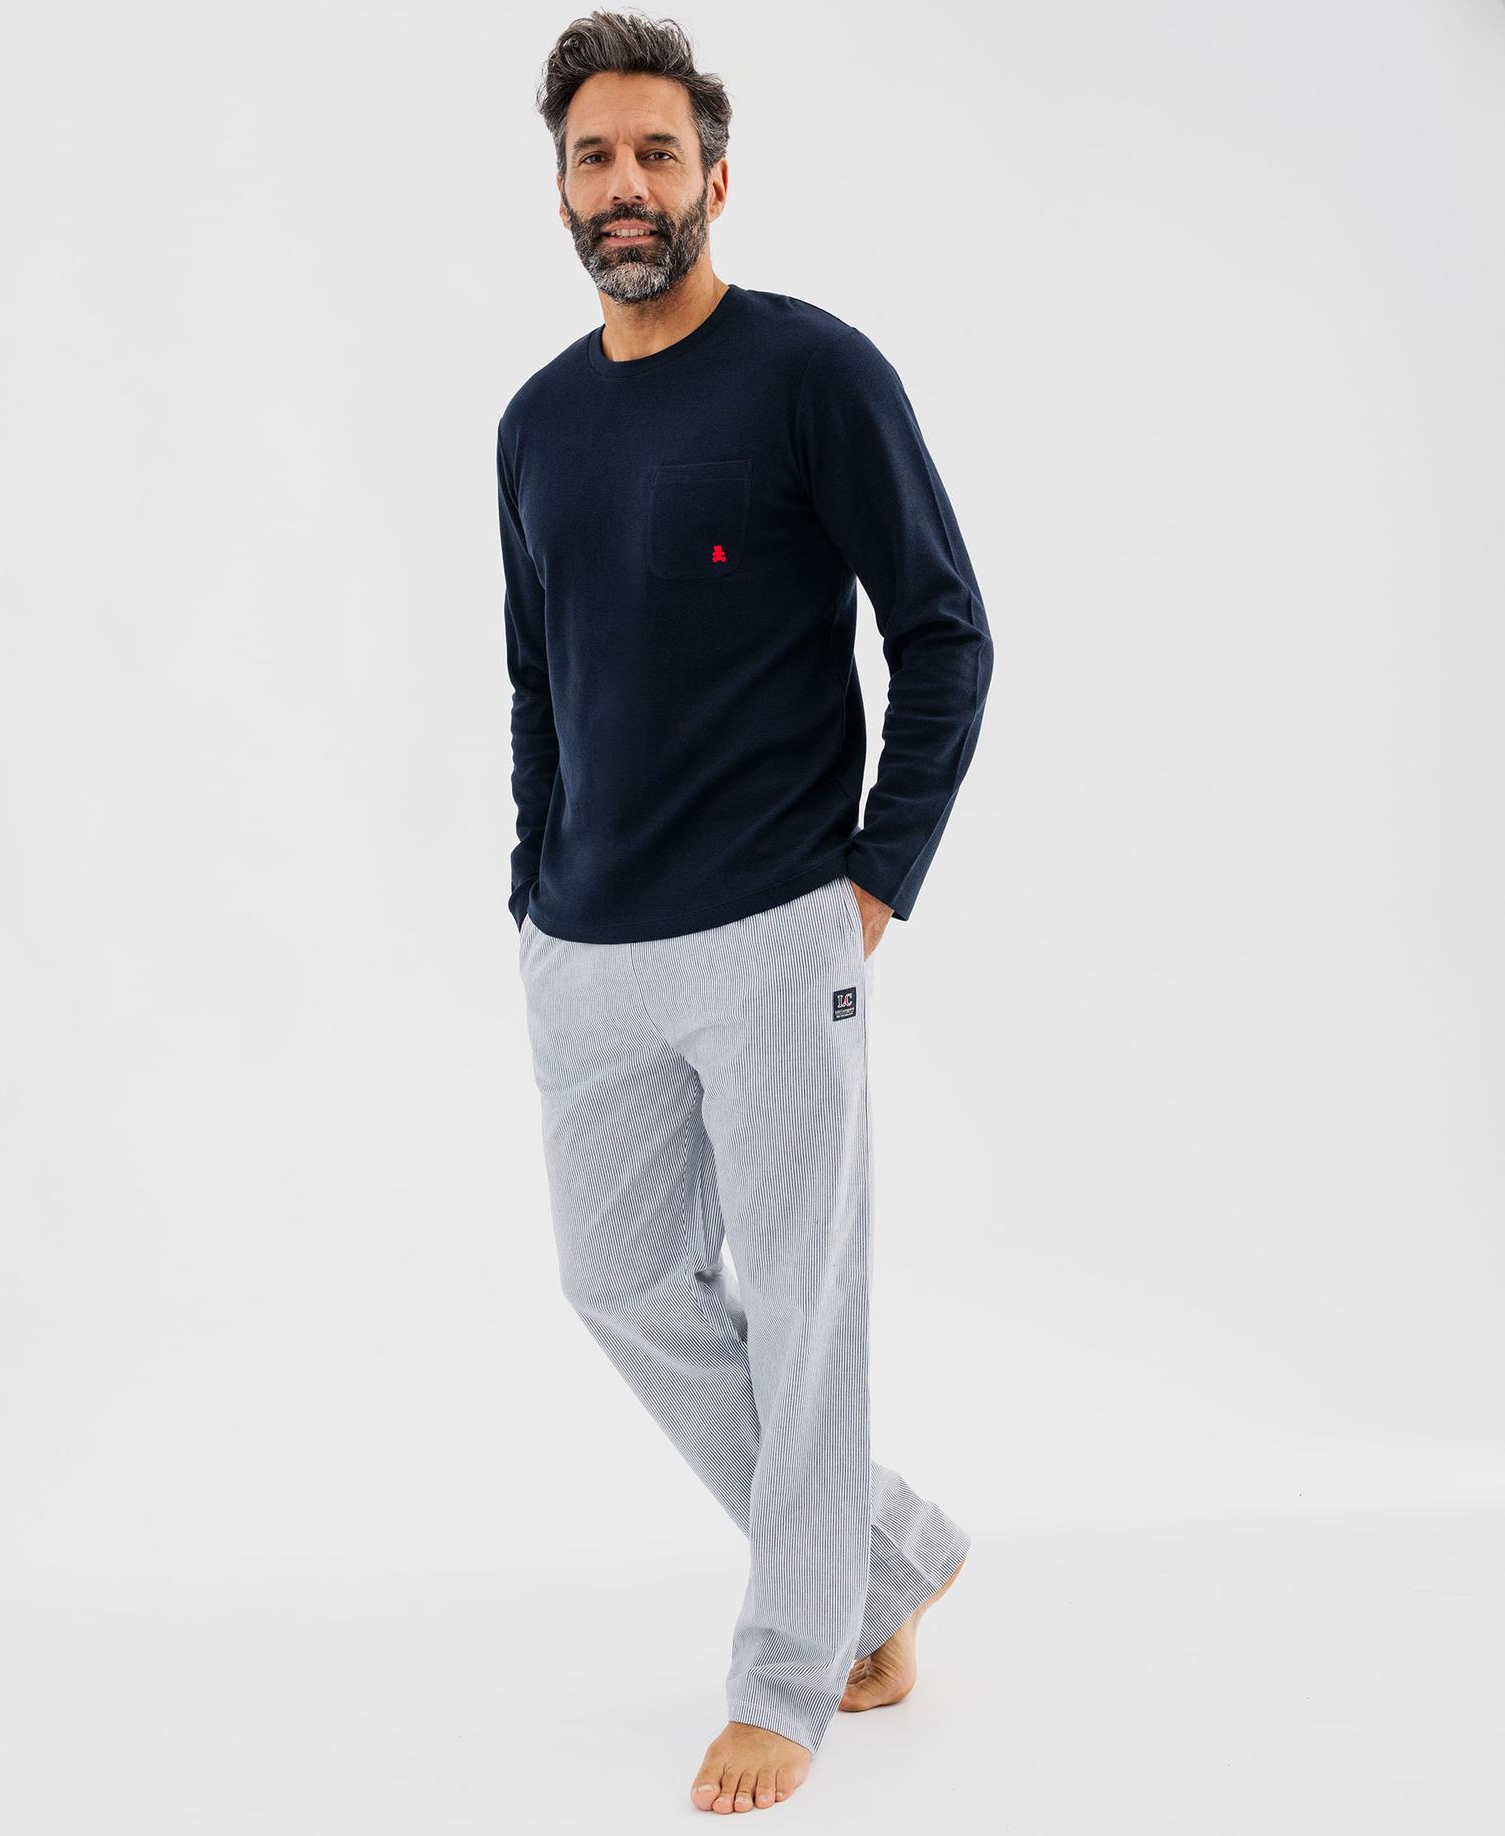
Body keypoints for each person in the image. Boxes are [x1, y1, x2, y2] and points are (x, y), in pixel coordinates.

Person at [498, 11, 993, 1814]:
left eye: (656, 152)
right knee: (616, 1280)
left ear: (716, 175)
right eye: (593, 157)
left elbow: (943, 633)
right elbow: (536, 679)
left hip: (778, 930)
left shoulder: (811, 375)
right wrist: (532, 887)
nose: (624, 184)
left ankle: (790, 1670)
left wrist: (870, 886)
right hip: (584, 945)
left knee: (801, 1305)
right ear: (559, 189)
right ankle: (888, 1551)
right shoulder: (536, 421)